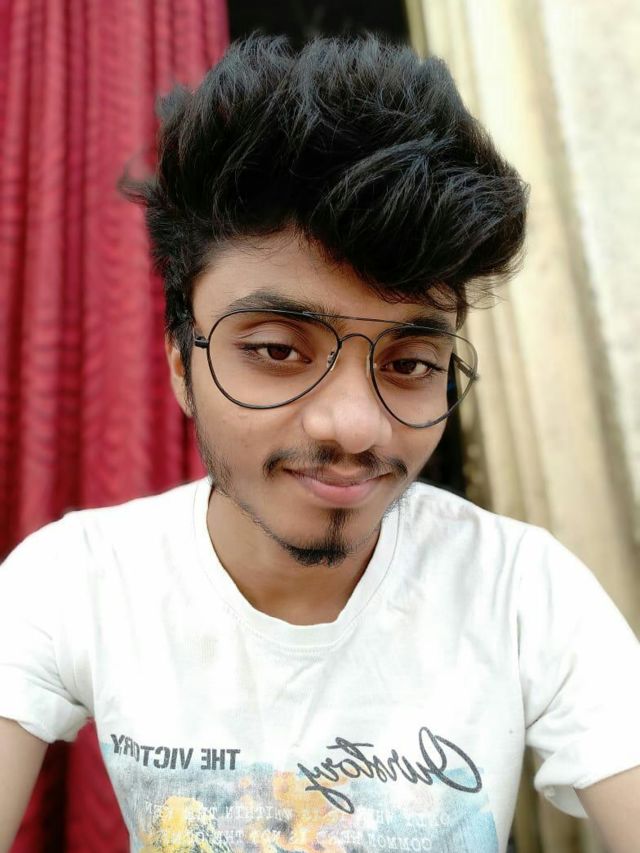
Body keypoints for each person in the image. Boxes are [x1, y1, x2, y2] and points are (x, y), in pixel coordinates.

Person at [1, 34, 639, 853]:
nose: (354, 425)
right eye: (277, 349)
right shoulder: (79, 580)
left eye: (410, 363)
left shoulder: (522, 592)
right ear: (181, 365)